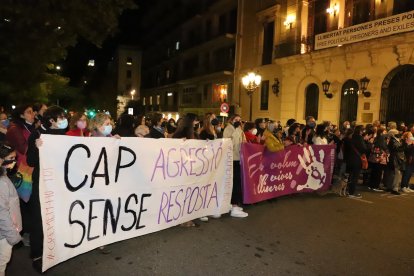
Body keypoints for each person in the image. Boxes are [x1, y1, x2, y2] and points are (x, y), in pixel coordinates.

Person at [26, 106, 69, 273]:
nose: (65, 119)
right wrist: (36, 148)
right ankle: (37, 255)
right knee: (39, 218)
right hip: (42, 183)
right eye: (62, 117)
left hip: (60, 183)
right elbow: (30, 161)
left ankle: (54, 249)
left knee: (56, 215)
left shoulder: (63, 136)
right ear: (51, 120)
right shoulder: (36, 135)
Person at [0, 142, 22, 276]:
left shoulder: (3, 176)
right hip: (4, 235)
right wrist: (13, 236)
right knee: (2, 263)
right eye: (11, 158)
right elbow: (2, 213)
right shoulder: (1, 183)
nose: (13, 162)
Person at [223, 114, 248, 218]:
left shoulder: (239, 130)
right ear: (231, 120)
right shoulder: (229, 129)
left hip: (238, 159)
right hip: (232, 159)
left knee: (237, 183)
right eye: (236, 119)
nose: (238, 121)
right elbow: (228, 144)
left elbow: (244, 142)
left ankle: (234, 204)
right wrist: (235, 132)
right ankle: (233, 206)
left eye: (240, 120)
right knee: (234, 183)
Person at [343, 125, 367, 198]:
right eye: (363, 130)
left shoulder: (351, 137)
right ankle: (351, 192)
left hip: (349, 159)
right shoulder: (359, 138)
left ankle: (347, 190)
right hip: (356, 159)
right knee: (355, 176)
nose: (363, 132)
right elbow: (364, 149)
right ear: (360, 131)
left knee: (350, 176)